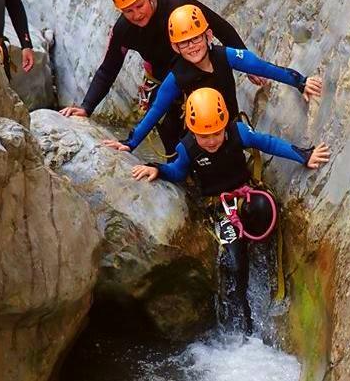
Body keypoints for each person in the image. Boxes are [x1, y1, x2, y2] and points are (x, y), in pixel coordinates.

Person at [132, 88, 330, 334]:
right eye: (205, 135)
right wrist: (158, 169)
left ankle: (262, 256)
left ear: (225, 124)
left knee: (264, 210)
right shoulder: (188, 148)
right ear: (193, 131)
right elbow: (178, 172)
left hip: (245, 195)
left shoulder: (238, 132)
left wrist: (304, 155)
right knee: (236, 262)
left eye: (216, 132)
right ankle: (243, 318)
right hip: (219, 207)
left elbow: (268, 143)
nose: (212, 140)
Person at [59, 0, 263, 155]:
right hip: (165, 82)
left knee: (220, 125)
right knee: (171, 133)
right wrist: (86, 107)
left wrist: (248, 65)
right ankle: (183, 182)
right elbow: (109, 69)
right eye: (128, 11)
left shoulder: (177, 6)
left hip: (201, 72)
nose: (136, 15)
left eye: (139, 6)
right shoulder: (123, 30)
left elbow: (221, 28)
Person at [104, 4, 322, 152]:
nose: (192, 47)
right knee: (181, 151)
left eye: (195, 39)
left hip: (230, 128)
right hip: (199, 137)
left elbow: (264, 68)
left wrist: (301, 83)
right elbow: (156, 111)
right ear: (175, 47)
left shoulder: (225, 56)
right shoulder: (176, 77)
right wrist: (130, 143)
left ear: (208, 35)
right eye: (184, 43)